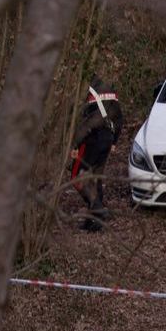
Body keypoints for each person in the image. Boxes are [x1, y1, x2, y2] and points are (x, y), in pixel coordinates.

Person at [68, 76, 123, 231]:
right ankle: (95, 220)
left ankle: (98, 209)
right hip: (108, 137)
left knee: (77, 177)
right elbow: (119, 116)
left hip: (92, 139)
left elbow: (85, 123)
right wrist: (114, 141)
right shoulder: (109, 86)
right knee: (95, 178)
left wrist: (75, 145)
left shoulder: (85, 90)